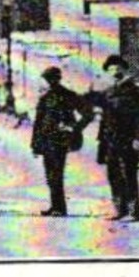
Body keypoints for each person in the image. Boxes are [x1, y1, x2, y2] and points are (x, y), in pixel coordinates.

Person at [30, 66, 91, 217]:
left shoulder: (68, 95)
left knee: (56, 174)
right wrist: (35, 144)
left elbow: (87, 113)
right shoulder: (45, 98)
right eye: (47, 79)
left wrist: (74, 128)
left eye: (51, 79)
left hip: (60, 140)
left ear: (57, 79)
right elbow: (38, 123)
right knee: (50, 175)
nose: (49, 82)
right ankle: (55, 206)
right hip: (46, 140)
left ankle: (59, 208)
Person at [90, 55, 139, 222]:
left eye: (117, 67)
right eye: (110, 68)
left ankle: (134, 211)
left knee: (129, 174)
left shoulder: (134, 91)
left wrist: (137, 138)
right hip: (110, 140)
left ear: (124, 68)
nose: (114, 71)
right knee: (113, 175)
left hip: (127, 139)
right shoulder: (109, 92)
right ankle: (120, 209)